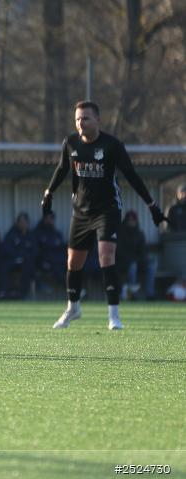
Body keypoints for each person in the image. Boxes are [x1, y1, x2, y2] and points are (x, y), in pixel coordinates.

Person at [42, 101, 168, 330]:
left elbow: (131, 175)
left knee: (106, 256)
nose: (81, 123)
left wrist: (151, 205)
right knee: (73, 262)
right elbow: (62, 169)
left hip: (107, 209)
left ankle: (114, 315)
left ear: (98, 120)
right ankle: (73, 308)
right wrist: (49, 193)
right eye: (78, 119)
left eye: (86, 118)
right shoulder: (70, 143)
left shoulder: (112, 146)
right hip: (80, 211)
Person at [117, 210, 156, 301]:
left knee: (151, 266)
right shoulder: (121, 234)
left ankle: (150, 294)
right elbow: (119, 252)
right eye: (129, 220)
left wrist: (142, 260)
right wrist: (132, 260)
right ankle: (132, 295)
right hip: (124, 263)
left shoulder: (139, 234)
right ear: (126, 221)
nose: (131, 222)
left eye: (133, 220)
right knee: (132, 266)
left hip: (138, 261)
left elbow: (143, 252)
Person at [0, 212, 37, 299]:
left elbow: (35, 251)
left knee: (28, 267)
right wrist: (17, 256)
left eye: (25, 222)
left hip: (26, 262)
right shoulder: (11, 234)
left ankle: (22, 293)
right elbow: (6, 249)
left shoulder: (31, 236)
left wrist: (24, 257)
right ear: (17, 223)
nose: (23, 224)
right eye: (21, 222)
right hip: (12, 261)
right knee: (3, 267)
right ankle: (5, 292)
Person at [34, 211, 66, 291]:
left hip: (58, 262)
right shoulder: (37, 233)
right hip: (44, 263)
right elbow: (36, 251)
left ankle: (74, 289)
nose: (50, 220)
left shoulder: (57, 234)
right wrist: (41, 262)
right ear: (44, 219)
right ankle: (70, 289)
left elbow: (62, 249)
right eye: (48, 218)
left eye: (52, 218)